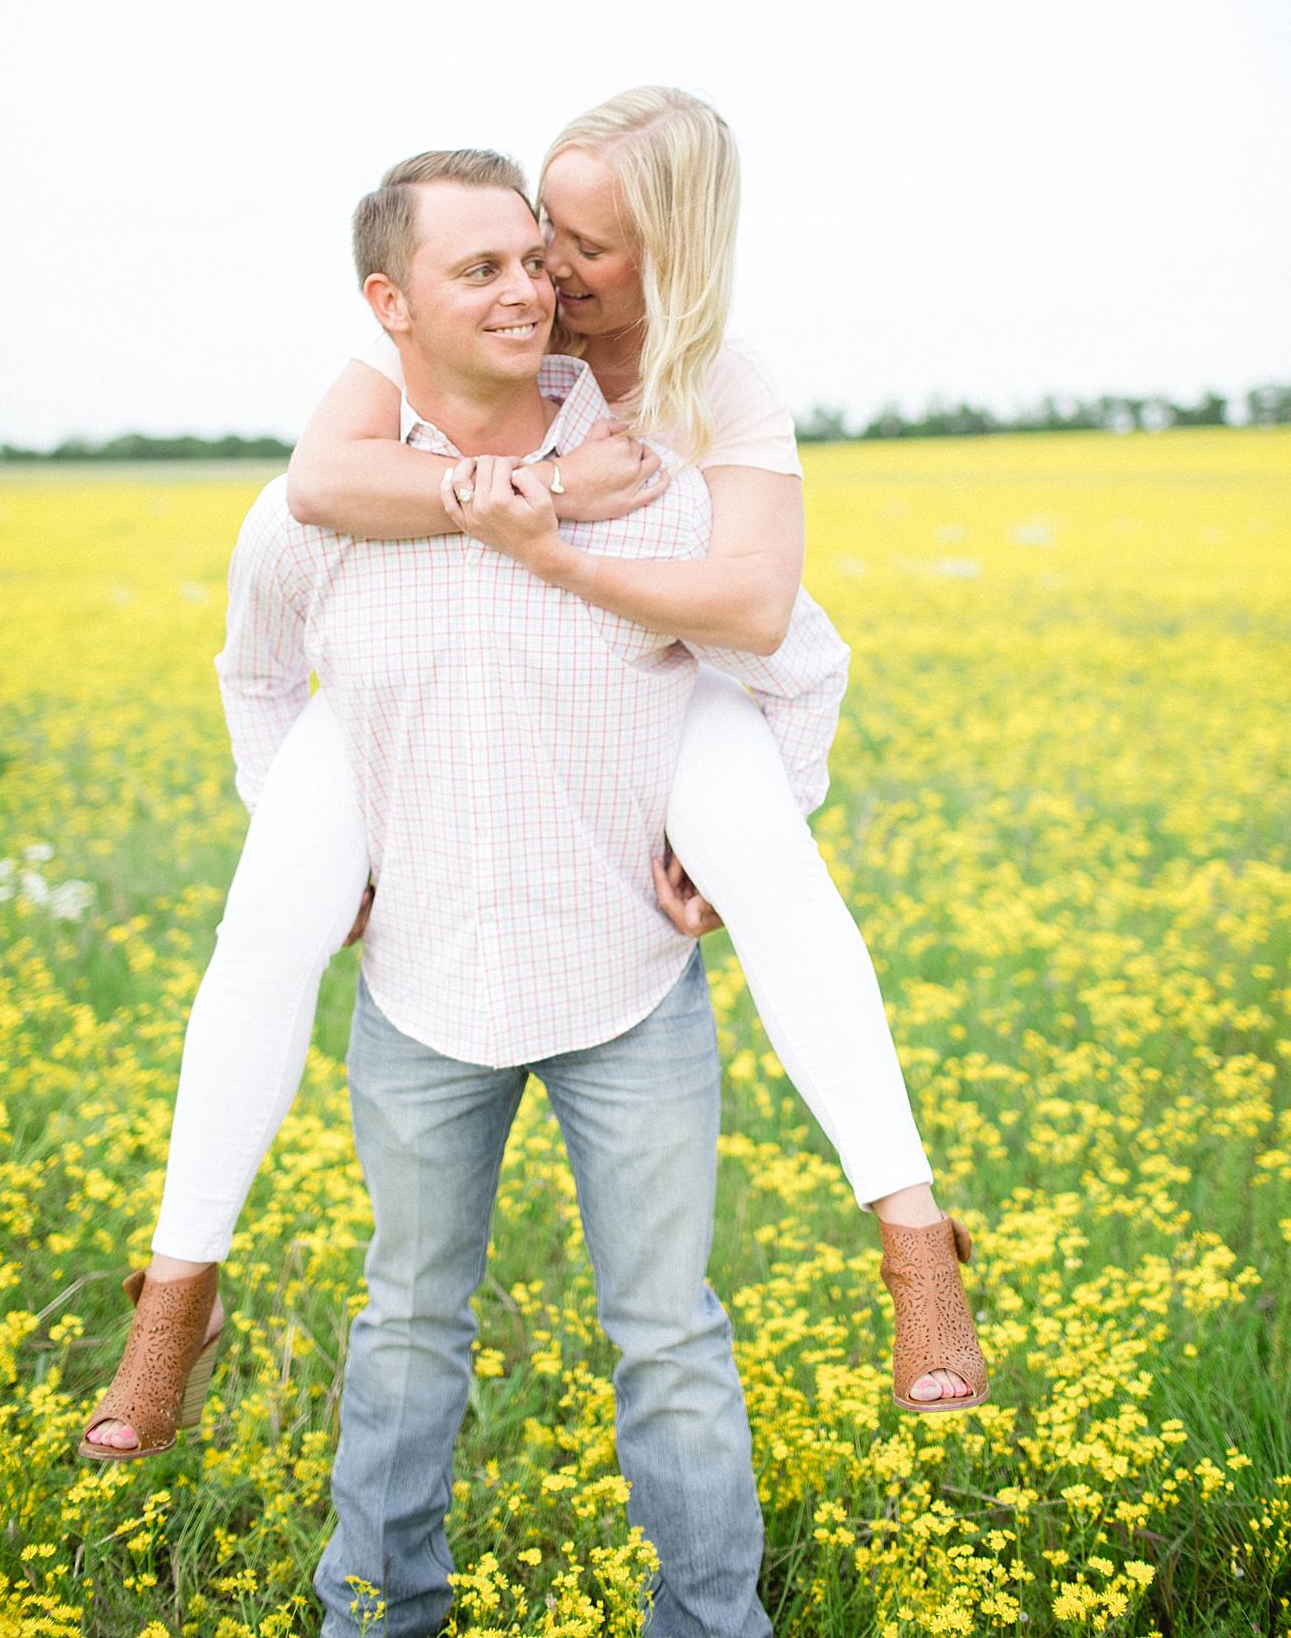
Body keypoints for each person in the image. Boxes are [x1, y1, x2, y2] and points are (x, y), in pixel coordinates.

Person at [79, 92, 988, 1471]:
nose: (546, 272)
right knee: (264, 922)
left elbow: (770, 618)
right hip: (395, 697)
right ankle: (175, 1296)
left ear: (669, 254)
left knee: (775, 873)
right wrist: (547, 494)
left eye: (580, 247)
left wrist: (760, 789)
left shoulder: (712, 389)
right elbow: (318, 489)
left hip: (665, 678)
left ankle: (915, 1240)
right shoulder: (451, 337)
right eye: (533, 233)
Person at [163, 151, 854, 1634]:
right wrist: (310, 852)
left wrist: (738, 851)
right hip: (423, 986)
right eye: (482, 268)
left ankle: (714, 1624)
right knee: (407, 1324)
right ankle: (375, 1618)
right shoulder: (320, 513)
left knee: (669, 1334)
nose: (531, 288)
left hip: (627, 987)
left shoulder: (649, 480)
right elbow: (255, 678)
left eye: (537, 261)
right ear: (388, 307)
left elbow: (797, 657)